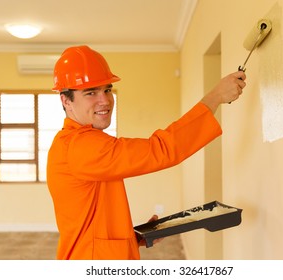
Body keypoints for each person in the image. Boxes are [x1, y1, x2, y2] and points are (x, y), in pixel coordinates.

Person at [47, 45, 246, 260]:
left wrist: (133, 237)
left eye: (106, 89)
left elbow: (88, 221)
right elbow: (159, 150)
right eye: (91, 93)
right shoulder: (82, 146)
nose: (105, 100)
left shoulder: (68, 142)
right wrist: (214, 97)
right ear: (66, 100)